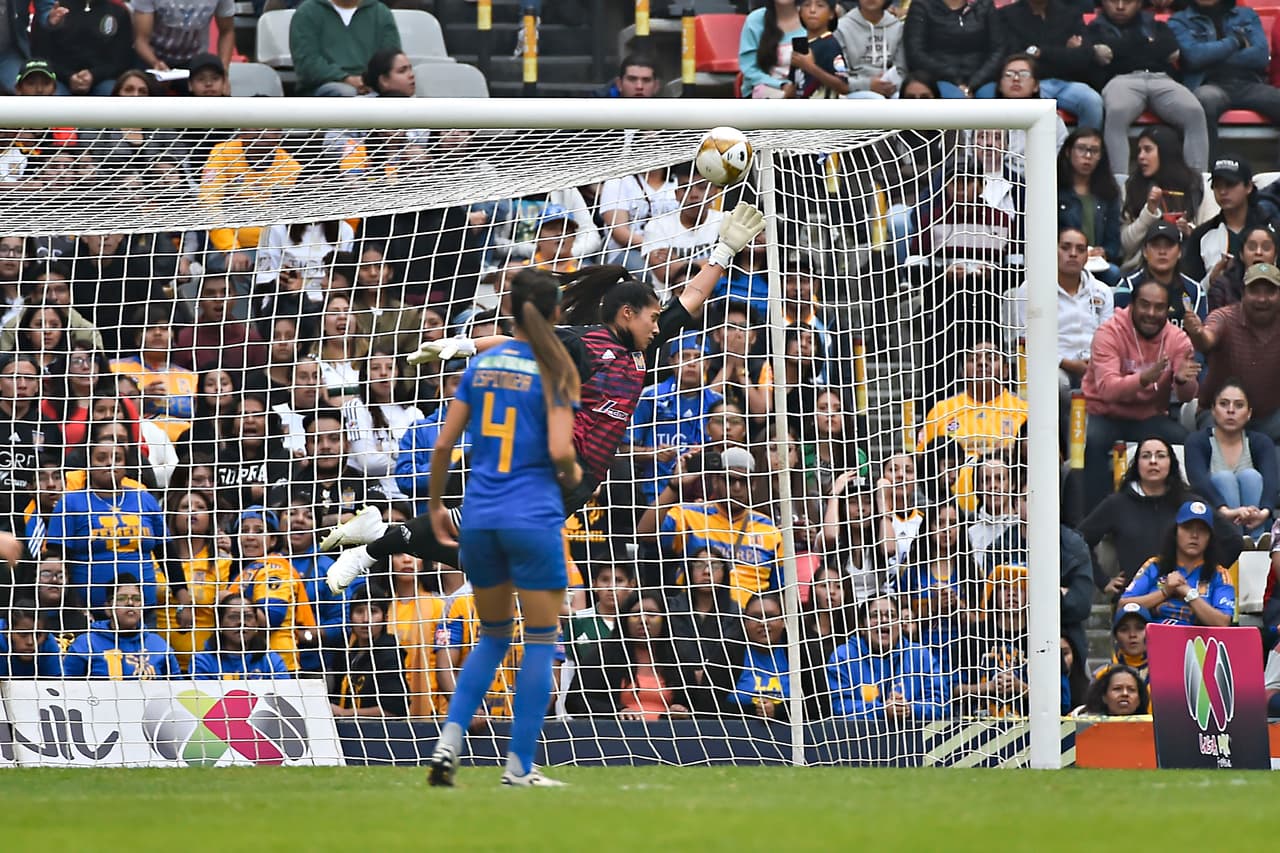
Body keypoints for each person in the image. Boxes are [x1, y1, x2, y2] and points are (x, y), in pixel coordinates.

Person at [323, 205, 766, 579]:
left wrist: (724, 250)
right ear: (628, 313)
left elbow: (690, 298)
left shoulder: (643, 350)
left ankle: (375, 536)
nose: (658, 326)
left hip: (581, 479)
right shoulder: (586, 343)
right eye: (651, 317)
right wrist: (461, 345)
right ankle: (372, 548)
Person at [383, 269, 585, 787]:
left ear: (512, 310)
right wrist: (577, 473)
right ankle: (518, 765)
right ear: (558, 312)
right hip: (533, 513)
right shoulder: (556, 368)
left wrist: (431, 509)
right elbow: (562, 451)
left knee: (492, 635)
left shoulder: (483, 365)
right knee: (541, 638)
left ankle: (449, 739)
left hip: (481, 513)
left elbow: (443, 446)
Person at [1081, 280, 1199, 507]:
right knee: (1092, 443)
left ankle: (1181, 514)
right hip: (1104, 413)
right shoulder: (1109, 332)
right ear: (1132, 305)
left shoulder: (1177, 339)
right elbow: (1107, 388)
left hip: (1147, 416)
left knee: (1187, 442)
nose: (1151, 313)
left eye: (1159, 307)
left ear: (1168, 310)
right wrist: (1145, 378)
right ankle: (1092, 522)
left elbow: (1186, 396)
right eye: (1145, 305)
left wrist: (1184, 381)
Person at [1077, 435, 1242, 593]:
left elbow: (1233, 541)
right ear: (1137, 464)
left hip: (1183, 598)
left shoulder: (1189, 502)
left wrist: (1203, 576)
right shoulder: (1117, 504)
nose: (1153, 461)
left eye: (1161, 456)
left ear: (1171, 463)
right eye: (1146, 456)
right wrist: (1103, 581)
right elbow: (1079, 541)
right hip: (1135, 601)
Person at [640, 447, 783, 607]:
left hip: (750, 621)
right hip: (695, 618)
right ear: (715, 481)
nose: (736, 487)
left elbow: (781, 589)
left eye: (744, 481)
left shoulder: (768, 527)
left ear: (753, 484)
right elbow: (645, 533)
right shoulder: (689, 514)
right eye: (729, 479)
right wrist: (674, 486)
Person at [1086, 0, 1209, 173]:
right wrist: (1147, 44)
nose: (1120, 6)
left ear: (1138, 3)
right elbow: (1098, 58)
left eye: (1128, 1)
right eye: (1114, 1)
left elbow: (1171, 50)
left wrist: (1118, 48)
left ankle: (1199, 186)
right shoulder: (1094, 28)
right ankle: (1118, 186)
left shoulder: (1155, 24)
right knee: (1117, 112)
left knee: (1194, 112)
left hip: (1162, 79)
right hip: (1121, 79)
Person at [1003, 227, 1114, 416]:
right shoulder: (1032, 289)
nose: (1073, 254)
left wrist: (1095, 362)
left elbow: (1108, 337)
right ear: (1053, 250)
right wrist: (1065, 362)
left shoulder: (1102, 291)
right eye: (1065, 247)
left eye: (1080, 249)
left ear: (1087, 256)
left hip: (1094, 364)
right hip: (1049, 365)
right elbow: (1024, 339)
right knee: (1056, 383)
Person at [47, 439, 167, 612]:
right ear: (88, 464)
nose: (110, 463)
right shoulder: (70, 503)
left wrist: (183, 598)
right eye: (101, 458)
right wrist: (75, 607)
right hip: (87, 614)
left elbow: (166, 552)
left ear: (125, 465)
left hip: (143, 614)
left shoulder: (145, 499)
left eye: (117, 458)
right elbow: (60, 561)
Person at [1170, 0, 1280, 162]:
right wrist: (1236, 42)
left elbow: (1260, 56)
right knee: (1203, 102)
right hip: (1208, 84)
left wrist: (1212, 56)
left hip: (1248, 83)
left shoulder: (1247, 15)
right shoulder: (1179, 21)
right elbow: (1194, 57)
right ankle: (1209, 178)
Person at [1184, 262, 1280, 445]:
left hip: (1270, 419)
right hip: (1220, 416)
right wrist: (1197, 333)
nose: (1262, 299)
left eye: (1270, 292)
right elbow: (1207, 339)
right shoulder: (1224, 317)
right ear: (1243, 294)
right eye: (1255, 291)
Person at [628, 335, 721, 503]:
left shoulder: (718, 402)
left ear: (707, 364)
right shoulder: (651, 397)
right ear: (672, 362)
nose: (691, 363)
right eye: (685, 356)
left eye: (698, 357)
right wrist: (653, 453)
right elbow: (624, 449)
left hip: (704, 498)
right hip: (654, 494)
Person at [1184, 380, 1278, 541]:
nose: (1231, 410)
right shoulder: (1197, 441)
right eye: (1224, 404)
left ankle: (1256, 541)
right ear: (1213, 410)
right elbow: (1198, 482)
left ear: (1248, 413)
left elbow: (1271, 482)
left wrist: (1264, 512)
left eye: (1239, 405)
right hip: (1215, 521)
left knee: (1251, 476)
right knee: (1224, 478)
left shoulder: (1261, 442)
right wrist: (1226, 511)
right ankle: (1234, 541)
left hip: (1257, 521)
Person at [827, 597, 949, 720]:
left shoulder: (920, 655)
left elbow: (942, 704)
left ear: (900, 624)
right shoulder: (843, 656)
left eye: (891, 615)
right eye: (875, 615)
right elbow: (838, 705)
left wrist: (909, 709)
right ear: (862, 626)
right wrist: (881, 711)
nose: (884, 620)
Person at [1120, 499, 1236, 626]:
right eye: (1187, 528)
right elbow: (1123, 606)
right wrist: (1165, 592)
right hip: (1154, 641)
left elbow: (1223, 622)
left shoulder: (1219, 574)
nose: (1194, 535)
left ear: (1210, 538)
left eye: (1202, 530)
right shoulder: (1154, 565)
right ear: (1175, 532)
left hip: (1199, 643)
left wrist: (1188, 593)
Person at [999, 0, 1104, 128]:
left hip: (1067, 81)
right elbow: (1016, 57)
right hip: (1032, 82)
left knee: (1092, 101)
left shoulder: (1069, 13)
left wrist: (1041, 52)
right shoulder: (1008, 14)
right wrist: (1065, 51)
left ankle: (1082, 145)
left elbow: (1084, 55)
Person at [1119, 126, 1210, 273]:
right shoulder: (1131, 187)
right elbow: (1126, 245)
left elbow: (1212, 236)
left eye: (1148, 150)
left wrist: (1190, 231)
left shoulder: (1196, 185)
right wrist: (1149, 212)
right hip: (1141, 270)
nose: (1141, 156)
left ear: (1165, 152)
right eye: (1140, 150)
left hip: (1188, 267)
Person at [916, 340, 1028, 458]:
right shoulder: (942, 410)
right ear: (963, 370)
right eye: (973, 359)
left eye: (991, 358)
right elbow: (922, 457)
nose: (982, 363)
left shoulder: (1024, 409)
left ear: (1006, 370)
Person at [1184, 158, 1280, 289]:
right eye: (1217, 185)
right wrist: (1211, 280)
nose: (1223, 192)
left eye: (1230, 184)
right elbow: (1189, 290)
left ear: (1248, 187)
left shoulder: (1273, 229)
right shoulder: (1201, 235)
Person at [63, 574, 181, 678]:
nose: (130, 603)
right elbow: (68, 687)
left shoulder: (159, 645)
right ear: (108, 608)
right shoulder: (86, 645)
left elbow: (176, 687)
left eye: (136, 599)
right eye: (121, 598)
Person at [289, 0, 401, 97]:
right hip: (323, 87)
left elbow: (391, 58)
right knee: (346, 92)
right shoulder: (307, 13)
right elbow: (307, 63)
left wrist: (371, 82)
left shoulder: (381, 13)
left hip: (373, 86)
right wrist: (345, 78)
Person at [328, 587, 409, 718]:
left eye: (373, 611)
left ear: (385, 618)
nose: (366, 619)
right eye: (359, 611)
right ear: (350, 618)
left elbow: (394, 710)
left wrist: (346, 713)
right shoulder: (345, 653)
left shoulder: (389, 652)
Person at [1056, 129, 1122, 281]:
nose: (1087, 156)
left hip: (1096, 263)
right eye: (1081, 149)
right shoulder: (1055, 188)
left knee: (1113, 273)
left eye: (1094, 151)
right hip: (1062, 260)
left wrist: (1104, 252)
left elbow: (1113, 240)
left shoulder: (1109, 192)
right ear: (1068, 151)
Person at [903, 0, 1003, 98]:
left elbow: (998, 49)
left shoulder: (984, 5)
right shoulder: (922, 5)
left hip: (981, 77)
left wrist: (974, 83)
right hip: (939, 76)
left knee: (992, 99)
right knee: (955, 100)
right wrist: (955, 80)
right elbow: (915, 53)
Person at [1114, 222, 1205, 329]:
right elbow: (1119, 334)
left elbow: (1201, 340)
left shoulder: (1195, 291)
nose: (1162, 252)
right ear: (1145, 252)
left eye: (1169, 246)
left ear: (1180, 252)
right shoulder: (1127, 287)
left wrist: (1198, 331)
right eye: (1156, 245)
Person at [34, 0, 133, 96]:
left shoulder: (119, 12)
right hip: (59, 78)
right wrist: (68, 77)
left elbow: (120, 60)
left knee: (111, 92)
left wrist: (93, 76)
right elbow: (40, 54)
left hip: (102, 80)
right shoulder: (54, 11)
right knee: (51, 94)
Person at [715, 593, 790, 720]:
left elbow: (817, 704)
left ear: (784, 621)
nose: (763, 623)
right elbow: (708, 705)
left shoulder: (799, 652)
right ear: (744, 623)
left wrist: (778, 711)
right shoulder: (729, 652)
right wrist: (755, 712)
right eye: (755, 617)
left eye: (770, 616)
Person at [191, 593, 291, 679]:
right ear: (219, 623)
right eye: (233, 617)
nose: (241, 622)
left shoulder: (271, 660)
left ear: (256, 623)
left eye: (247, 617)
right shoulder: (202, 661)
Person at [132, 0, 234, 77]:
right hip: (152, 56)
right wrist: (155, 62)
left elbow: (227, 32)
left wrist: (223, 71)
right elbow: (141, 40)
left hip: (195, 59)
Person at [834, 0, 905, 100]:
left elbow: (901, 70)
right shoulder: (842, 28)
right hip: (854, 90)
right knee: (876, 100)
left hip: (891, 88)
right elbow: (839, 75)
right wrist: (868, 84)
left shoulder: (897, 27)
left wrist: (890, 84)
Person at [738, 0, 806, 98]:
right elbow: (749, 68)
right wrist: (782, 85)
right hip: (764, 90)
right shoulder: (754, 20)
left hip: (804, 89)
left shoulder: (812, 17)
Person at [1209, 225, 1277, 311]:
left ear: (1275, 256)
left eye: (1266, 247)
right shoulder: (1223, 287)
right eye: (1252, 247)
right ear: (1241, 254)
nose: (1258, 252)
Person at [791, 0, 849, 99]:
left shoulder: (831, 44)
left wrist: (809, 67)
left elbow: (843, 86)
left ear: (831, 14)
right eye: (807, 5)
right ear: (800, 12)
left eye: (820, 5)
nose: (812, 10)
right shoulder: (801, 44)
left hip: (822, 110)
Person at [0, 604, 63, 677]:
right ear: (6, 633)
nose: (30, 642)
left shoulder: (49, 644)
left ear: (46, 635)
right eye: (23, 634)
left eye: (37, 635)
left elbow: (55, 684)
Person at [1079, 663, 1148, 715]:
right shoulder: (1082, 724)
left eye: (1131, 690)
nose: (1125, 693)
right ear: (1104, 697)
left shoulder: (1155, 729)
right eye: (1117, 689)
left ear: (1139, 699)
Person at [595, 52, 660, 99]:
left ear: (656, 86)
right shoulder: (594, 110)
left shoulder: (667, 110)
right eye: (632, 79)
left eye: (646, 80)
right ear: (619, 84)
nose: (639, 86)